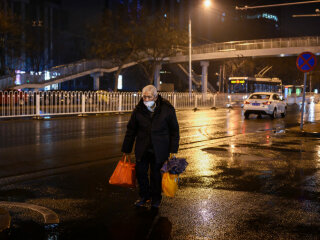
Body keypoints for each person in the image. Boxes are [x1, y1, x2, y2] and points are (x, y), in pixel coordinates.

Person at [121, 85, 180, 208]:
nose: (146, 100)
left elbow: (174, 130)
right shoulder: (138, 110)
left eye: (149, 97)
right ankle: (144, 196)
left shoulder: (167, 109)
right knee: (141, 173)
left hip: (159, 149)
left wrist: (173, 150)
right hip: (142, 148)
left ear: (156, 96)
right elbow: (131, 130)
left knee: (155, 175)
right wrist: (126, 149)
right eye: (144, 97)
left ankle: (156, 199)